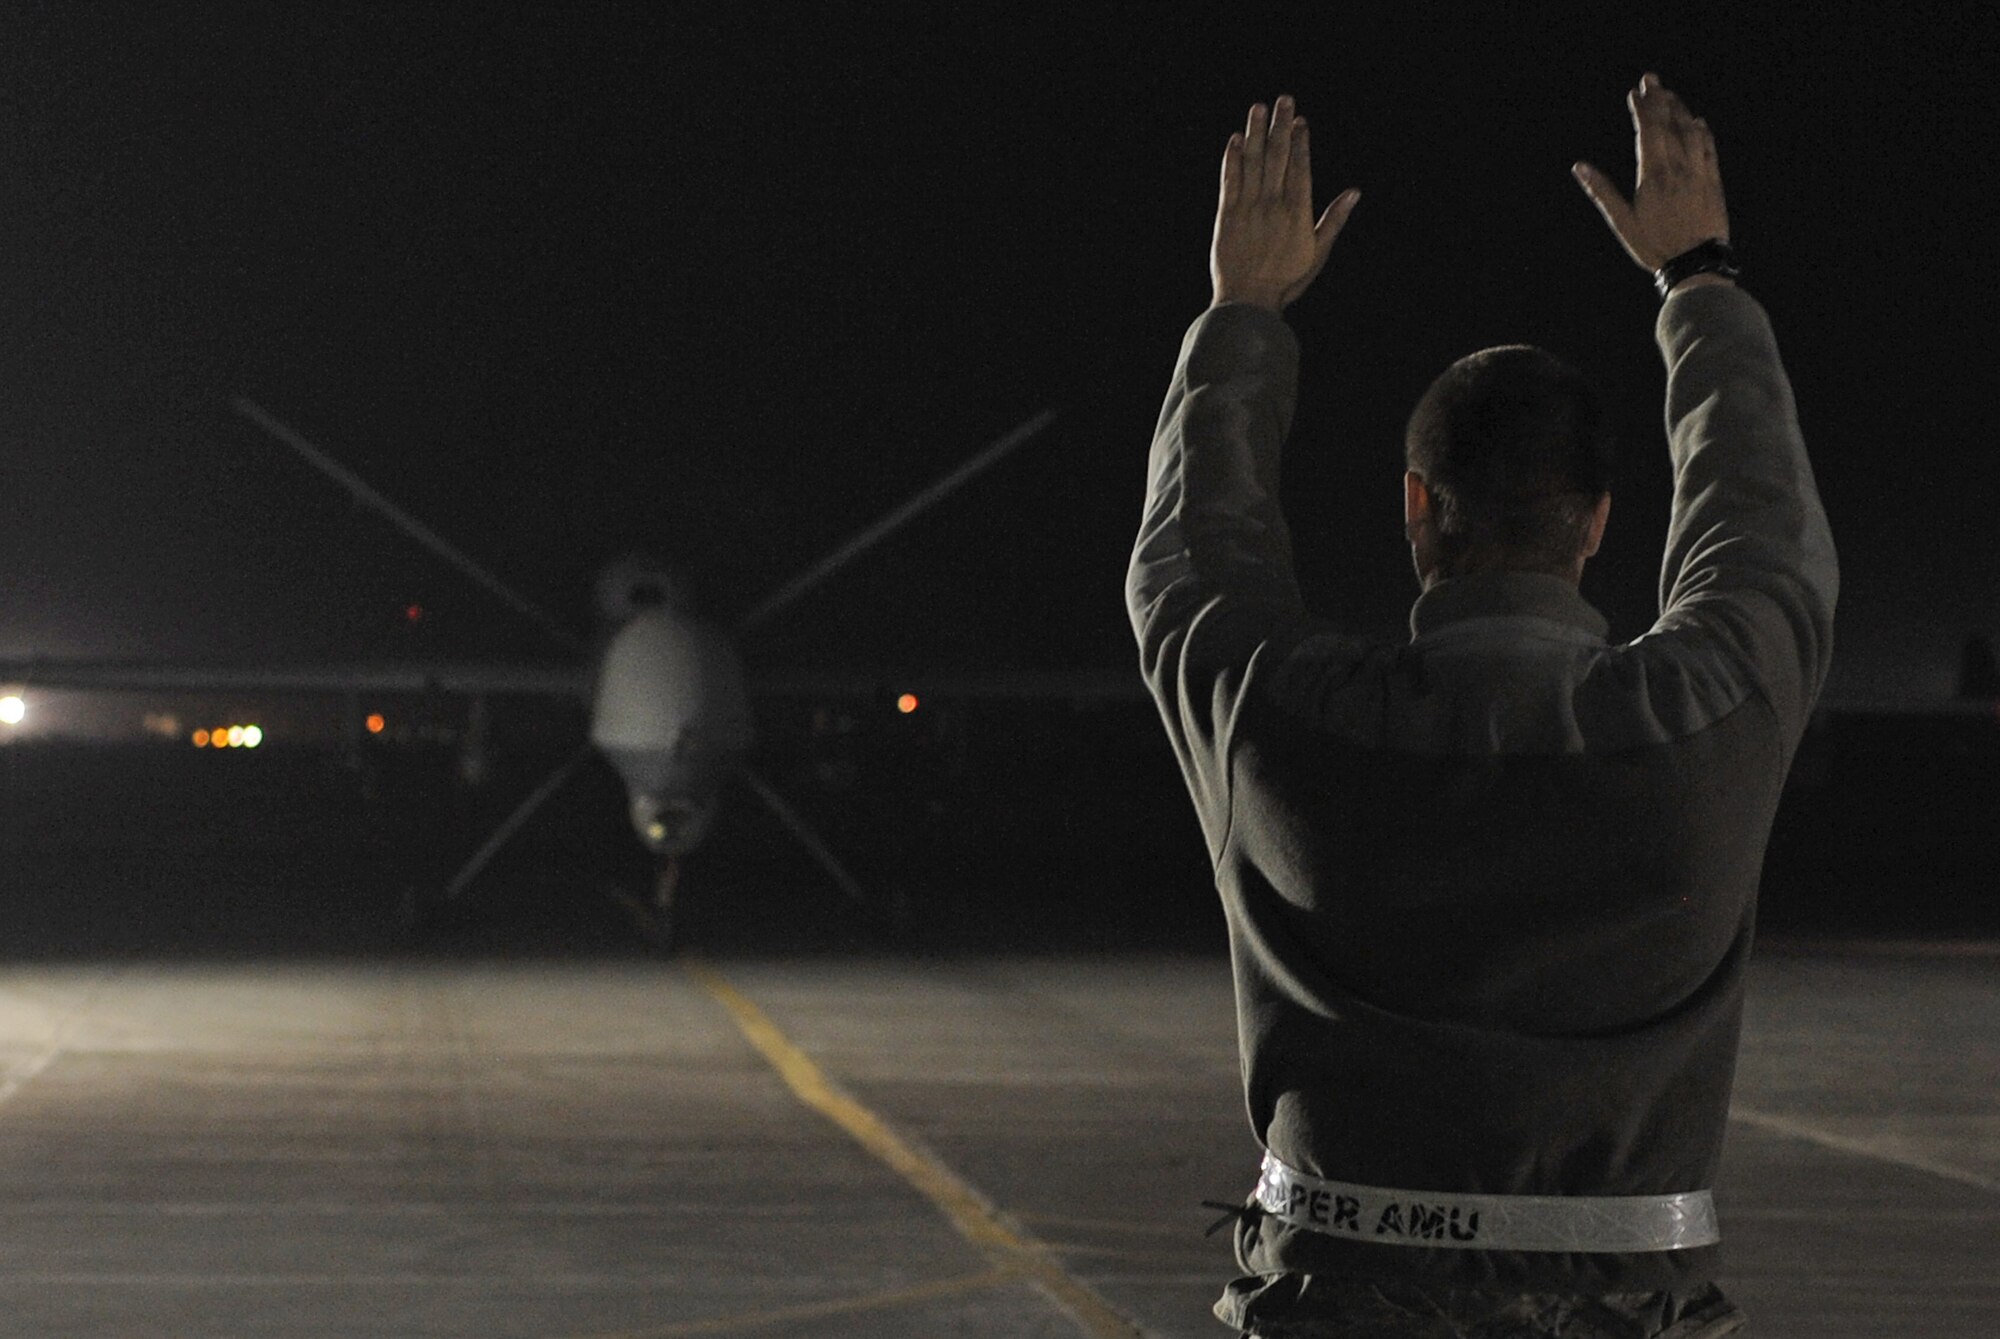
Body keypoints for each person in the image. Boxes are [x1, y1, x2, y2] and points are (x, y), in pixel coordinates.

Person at [1126, 75, 1836, 1338]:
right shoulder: (1703, 716)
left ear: (1414, 507)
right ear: (1599, 525)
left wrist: (1244, 311)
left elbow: (1192, 556)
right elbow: (1759, 524)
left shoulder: (1283, 716)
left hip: (1335, 1301)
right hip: (1622, 1309)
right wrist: (1699, 280)